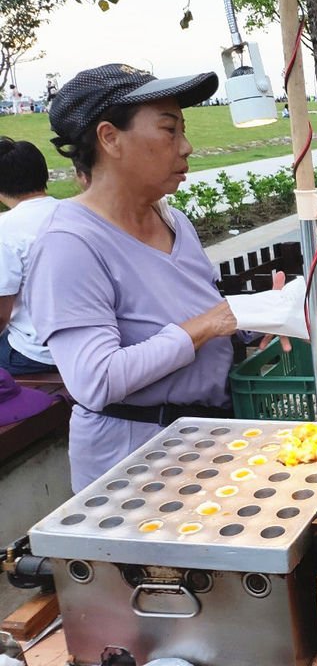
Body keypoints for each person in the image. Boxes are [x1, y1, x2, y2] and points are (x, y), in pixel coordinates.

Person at [24, 63, 252, 492]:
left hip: (208, 447)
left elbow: (202, 314)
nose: (186, 147)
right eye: (169, 130)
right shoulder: (70, 244)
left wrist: (255, 323)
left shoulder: (174, 220)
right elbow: (95, 380)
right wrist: (204, 327)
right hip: (136, 473)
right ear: (110, 138)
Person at [0, 137, 59, 375]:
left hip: (37, 353)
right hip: (88, 343)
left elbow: (1, 315)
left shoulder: (6, 228)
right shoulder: (78, 213)